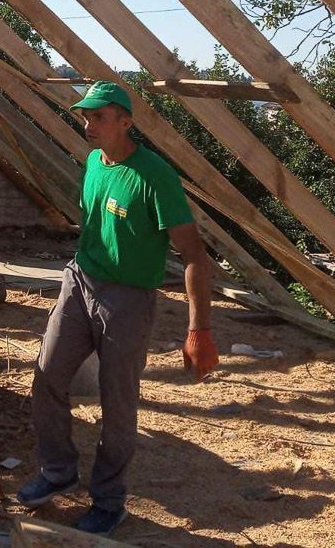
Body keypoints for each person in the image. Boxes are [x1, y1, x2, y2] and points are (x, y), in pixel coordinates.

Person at [16, 81, 219, 535]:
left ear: (126, 121)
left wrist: (198, 330)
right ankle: (57, 471)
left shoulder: (154, 176)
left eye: (99, 116)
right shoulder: (93, 163)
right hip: (79, 281)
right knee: (47, 375)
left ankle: (108, 500)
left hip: (127, 298)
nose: (88, 124)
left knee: (117, 399)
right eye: (85, 116)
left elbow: (193, 256)